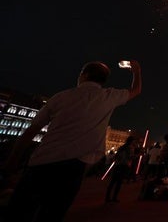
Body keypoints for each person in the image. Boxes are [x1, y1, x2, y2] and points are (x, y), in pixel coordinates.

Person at [1, 60, 142, 222]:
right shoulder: (109, 96)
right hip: (72, 170)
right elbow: (136, 90)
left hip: (40, 164)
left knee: (18, 213)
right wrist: (136, 71)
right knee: (52, 214)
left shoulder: (61, 97)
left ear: (85, 75)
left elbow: (30, 132)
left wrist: (12, 161)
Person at [105, 135, 136, 203]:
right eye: (134, 141)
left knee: (112, 182)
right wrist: (135, 156)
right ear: (131, 141)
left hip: (117, 165)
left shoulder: (121, 147)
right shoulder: (129, 148)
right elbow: (129, 157)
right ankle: (114, 197)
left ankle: (107, 197)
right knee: (118, 183)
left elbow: (116, 157)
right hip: (123, 166)